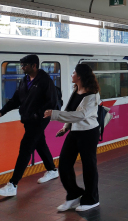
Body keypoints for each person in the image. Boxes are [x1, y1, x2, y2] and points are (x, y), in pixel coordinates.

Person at [44, 63, 100, 212]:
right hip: (75, 132)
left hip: (88, 132)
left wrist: (54, 114)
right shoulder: (76, 90)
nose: (72, 74)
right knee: (64, 164)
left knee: (89, 166)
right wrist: (66, 127)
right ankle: (74, 194)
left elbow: (80, 115)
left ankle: (92, 199)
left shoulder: (92, 95)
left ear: (79, 76)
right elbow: (71, 111)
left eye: (74, 72)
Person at [0, 55, 59, 197]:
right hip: (27, 120)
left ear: (34, 65)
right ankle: (52, 170)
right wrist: (2, 111)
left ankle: (13, 184)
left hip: (38, 120)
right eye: (21, 64)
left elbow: (52, 102)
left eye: (25, 65)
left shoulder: (45, 81)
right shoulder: (24, 81)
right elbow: (15, 99)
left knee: (25, 149)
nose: (22, 67)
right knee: (40, 143)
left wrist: (37, 115)